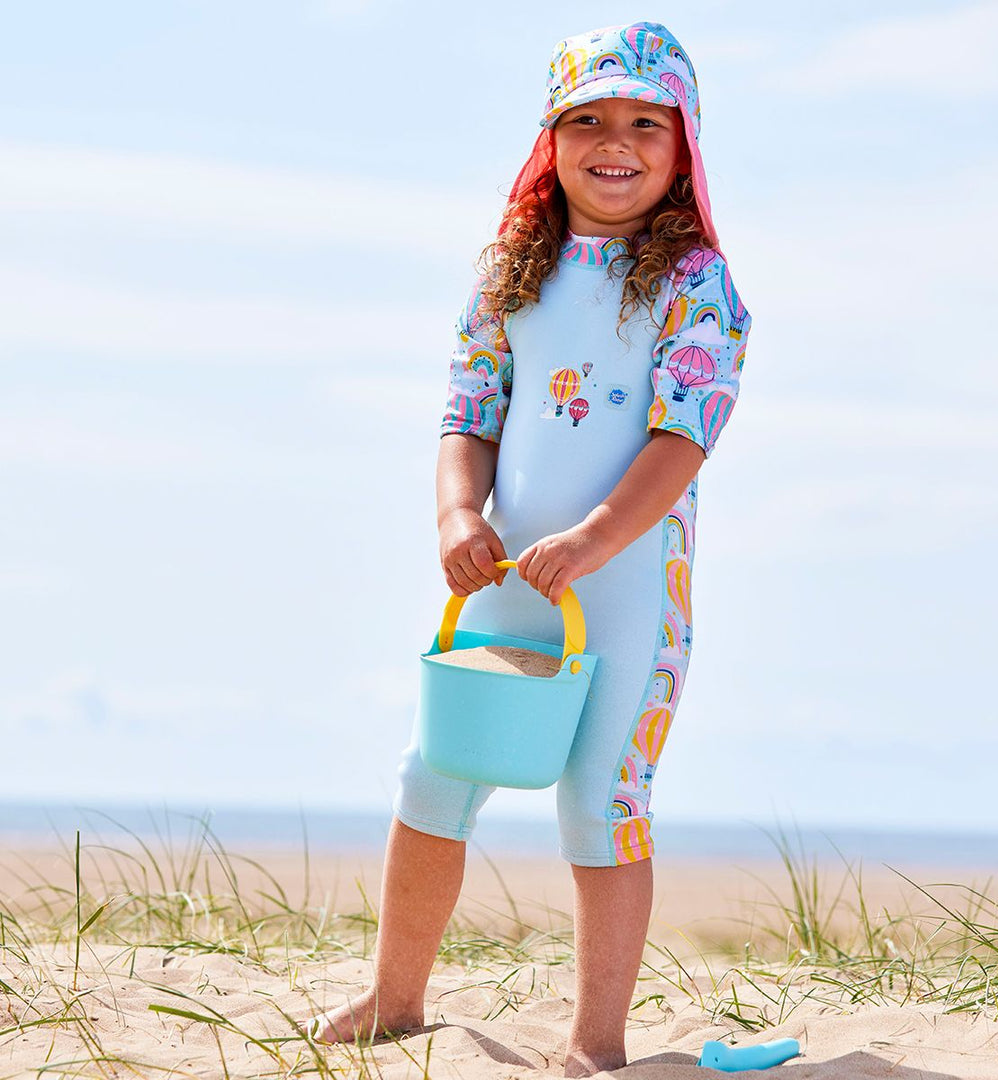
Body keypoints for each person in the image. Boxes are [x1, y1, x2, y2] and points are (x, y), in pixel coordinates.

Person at [310, 21, 751, 1077]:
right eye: (587, 118)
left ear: (683, 144)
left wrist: (599, 536)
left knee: (601, 802)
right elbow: (469, 414)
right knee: (434, 777)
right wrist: (460, 519)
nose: (616, 140)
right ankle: (398, 995)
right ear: (549, 141)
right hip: (506, 580)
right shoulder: (512, 273)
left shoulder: (698, 284)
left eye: (647, 121)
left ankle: (598, 1041)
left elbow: (684, 431)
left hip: (631, 587)